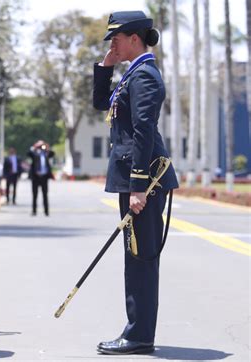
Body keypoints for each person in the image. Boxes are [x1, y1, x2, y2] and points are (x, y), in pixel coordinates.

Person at [93, 11, 179, 355]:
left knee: (140, 258)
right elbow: (102, 102)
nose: (112, 43)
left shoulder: (144, 76)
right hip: (137, 177)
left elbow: (143, 131)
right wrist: (105, 65)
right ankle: (137, 330)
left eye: (116, 38)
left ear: (134, 38)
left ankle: (139, 335)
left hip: (145, 179)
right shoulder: (133, 73)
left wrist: (139, 185)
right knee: (135, 255)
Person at [27, 140, 54, 216]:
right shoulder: (35, 154)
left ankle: (46, 211)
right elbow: (29, 153)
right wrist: (35, 147)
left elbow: (52, 154)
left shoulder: (46, 154)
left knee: (45, 195)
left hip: (44, 177)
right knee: (35, 195)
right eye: (40, 146)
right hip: (35, 177)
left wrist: (46, 147)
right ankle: (34, 211)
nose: (41, 147)